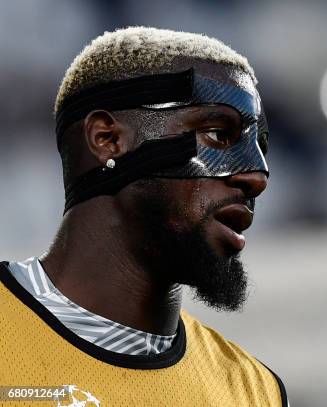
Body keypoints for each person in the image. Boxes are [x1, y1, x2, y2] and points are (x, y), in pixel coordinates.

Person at [0, 26, 288, 406]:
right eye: (218, 133)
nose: (257, 175)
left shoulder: (255, 391)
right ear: (108, 140)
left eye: (261, 145)